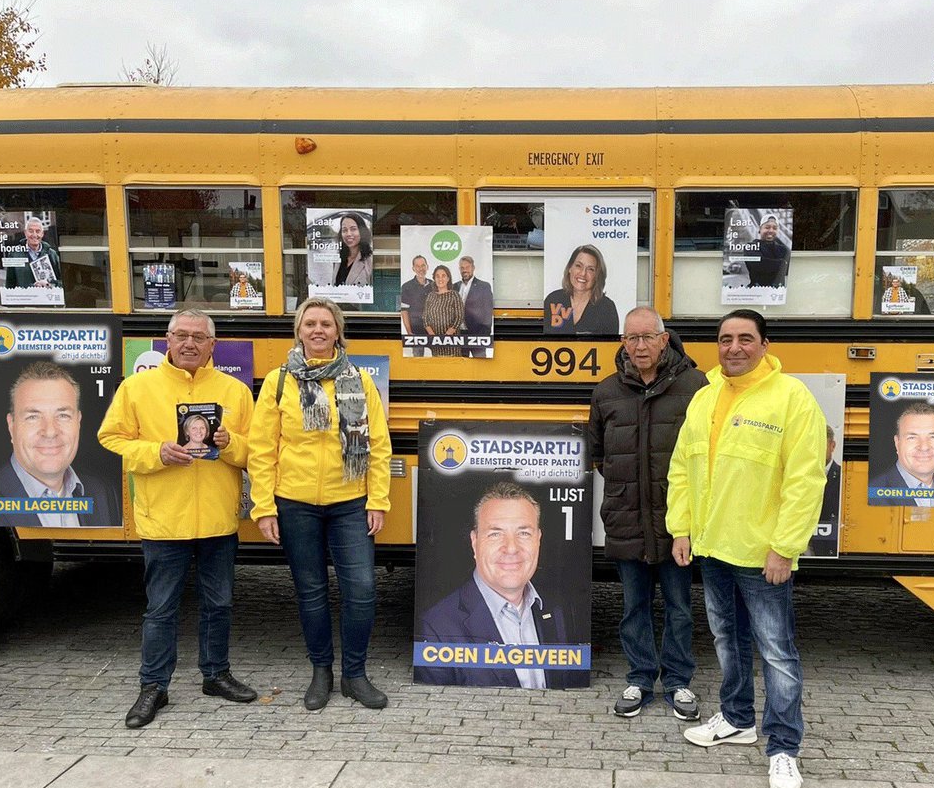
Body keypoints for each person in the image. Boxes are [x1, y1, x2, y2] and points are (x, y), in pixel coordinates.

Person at [667, 309, 827, 788]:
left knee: (777, 653)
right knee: (727, 642)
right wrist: (682, 529)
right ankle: (737, 720)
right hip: (713, 547)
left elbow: (806, 480)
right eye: (725, 339)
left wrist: (785, 547)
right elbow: (682, 469)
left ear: (764, 344)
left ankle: (784, 749)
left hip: (763, 556)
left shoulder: (792, 398)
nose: (733, 347)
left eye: (745, 339)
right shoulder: (705, 397)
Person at [97, 309, 258, 729]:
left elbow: (256, 450)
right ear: (167, 340)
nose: (189, 343)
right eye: (181, 335)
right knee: (161, 609)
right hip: (164, 519)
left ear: (212, 345)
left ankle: (216, 674)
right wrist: (156, 453)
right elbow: (110, 437)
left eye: (199, 337)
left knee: (218, 604)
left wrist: (229, 443)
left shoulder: (235, 391)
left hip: (218, 521)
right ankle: (153, 686)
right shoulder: (137, 387)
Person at [248, 297, 393, 711]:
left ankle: (355, 675)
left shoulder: (359, 380)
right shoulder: (279, 382)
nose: (317, 330)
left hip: (350, 501)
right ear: (299, 331)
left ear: (337, 331)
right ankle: (321, 672)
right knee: (310, 592)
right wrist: (264, 507)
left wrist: (378, 499)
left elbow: (378, 446)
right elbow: (262, 450)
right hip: (295, 503)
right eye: (309, 323)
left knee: (362, 590)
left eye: (325, 324)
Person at [588, 306, 707, 721]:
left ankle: (678, 682)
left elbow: (705, 455)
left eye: (646, 337)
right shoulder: (605, 392)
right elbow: (599, 454)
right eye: (630, 338)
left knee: (679, 606)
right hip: (626, 518)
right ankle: (639, 679)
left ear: (663, 339)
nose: (639, 346)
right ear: (623, 342)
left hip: (678, 522)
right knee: (633, 606)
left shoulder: (696, 386)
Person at [415, 482, 579, 689]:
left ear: (538, 539)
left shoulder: (559, 611)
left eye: (523, 533)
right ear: (475, 542)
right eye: (495, 533)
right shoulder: (436, 627)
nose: (511, 548)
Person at [0, 361, 119, 528]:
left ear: (78, 421)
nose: (50, 432)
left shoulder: (103, 493)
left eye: (63, 415)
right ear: (11, 426)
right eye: (33, 417)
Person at [869, 402, 934, 507]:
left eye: (933, 437)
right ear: (897, 442)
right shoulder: (873, 493)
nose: (924, 447)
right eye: (912, 437)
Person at [542, 244, 619, 335]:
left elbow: (611, 347)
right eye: (578, 266)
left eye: (590, 269)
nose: (583, 273)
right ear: (570, 268)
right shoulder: (553, 300)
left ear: (597, 276)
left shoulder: (606, 307)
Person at [810, 425, 842, 557]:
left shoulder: (842, 476)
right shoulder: (796, 476)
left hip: (827, 548)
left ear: (832, 446)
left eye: (821, 444)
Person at [4, 217, 62, 288]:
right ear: (25, 233)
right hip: (25, 298)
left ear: (42, 234)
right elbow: (9, 286)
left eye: (38, 231)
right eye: (31, 231)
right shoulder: (14, 255)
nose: (34, 235)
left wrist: (50, 284)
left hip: (47, 297)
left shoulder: (52, 254)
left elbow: (62, 282)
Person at [422, 264, 464, 357]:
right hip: (435, 344)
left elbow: (459, 317)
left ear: (448, 278)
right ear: (434, 279)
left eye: (443, 276)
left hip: (451, 343)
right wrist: (434, 336)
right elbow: (425, 318)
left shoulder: (454, 295)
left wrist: (446, 336)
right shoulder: (431, 296)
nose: (440, 279)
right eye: (437, 276)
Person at [455, 254, 493, 355]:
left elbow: (488, 311)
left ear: (473, 268)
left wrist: (484, 335)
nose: (465, 270)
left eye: (467, 267)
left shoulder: (483, 286)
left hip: (477, 335)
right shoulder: (455, 286)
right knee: (462, 367)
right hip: (459, 335)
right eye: (462, 268)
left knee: (481, 367)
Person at [745, 215, 790, 289]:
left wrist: (779, 264)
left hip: (778, 294)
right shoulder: (750, 246)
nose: (771, 231)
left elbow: (788, 269)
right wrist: (783, 263)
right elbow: (760, 264)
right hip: (756, 293)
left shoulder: (783, 249)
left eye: (774, 228)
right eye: (767, 227)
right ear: (760, 229)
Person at [333, 213, 373, 287]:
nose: (348, 234)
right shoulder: (338, 259)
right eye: (344, 230)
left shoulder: (370, 260)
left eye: (353, 229)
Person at [400, 254, 431, 336]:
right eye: (417, 266)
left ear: (427, 267)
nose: (421, 268)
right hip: (416, 331)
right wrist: (409, 332)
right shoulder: (406, 287)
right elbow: (403, 311)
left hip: (434, 331)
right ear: (413, 269)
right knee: (418, 349)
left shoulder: (434, 285)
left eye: (423, 265)